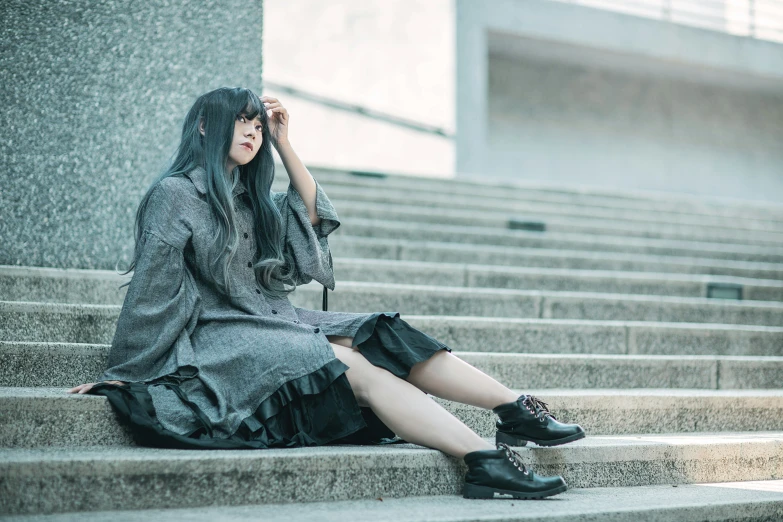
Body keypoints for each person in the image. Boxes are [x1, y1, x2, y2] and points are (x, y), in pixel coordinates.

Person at [67, 86, 585, 500]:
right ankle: (484, 461)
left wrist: (284, 142)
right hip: (221, 334)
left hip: (273, 319)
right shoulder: (176, 194)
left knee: (380, 333)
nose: (251, 132)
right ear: (205, 126)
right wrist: (125, 372)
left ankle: (514, 408)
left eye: (256, 124)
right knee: (352, 367)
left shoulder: (251, 199)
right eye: (240, 121)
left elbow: (312, 217)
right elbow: (154, 288)